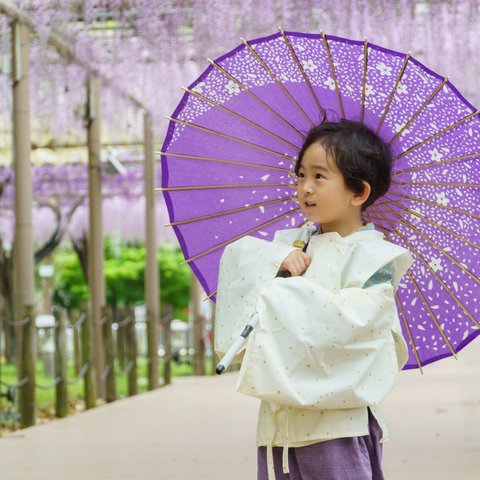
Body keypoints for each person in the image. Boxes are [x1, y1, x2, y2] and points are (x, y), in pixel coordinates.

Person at [214, 119, 414, 480]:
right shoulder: (291, 245)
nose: (305, 188)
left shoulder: (375, 259)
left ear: (359, 192)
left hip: (336, 429)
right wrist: (275, 265)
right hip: (279, 428)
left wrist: (290, 290)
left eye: (319, 177)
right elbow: (245, 275)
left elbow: (354, 327)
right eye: (300, 174)